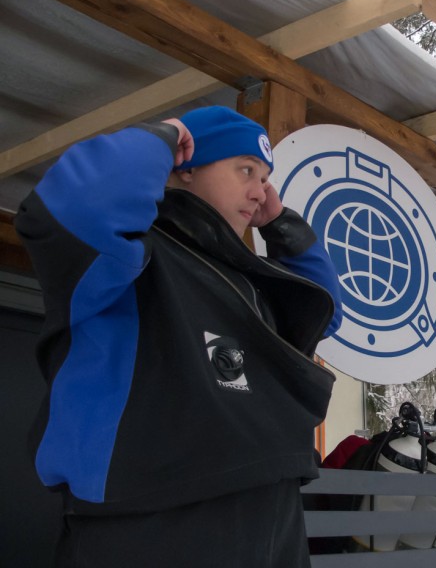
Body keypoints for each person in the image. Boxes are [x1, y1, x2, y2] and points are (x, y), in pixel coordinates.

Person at [15, 105, 343, 567]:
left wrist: (281, 226)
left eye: (265, 178)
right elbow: (68, 210)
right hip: (156, 517)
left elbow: (323, 311)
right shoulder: (132, 258)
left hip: (274, 514)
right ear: (184, 169)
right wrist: (164, 137)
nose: (260, 190)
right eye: (245, 169)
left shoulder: (251, 280)